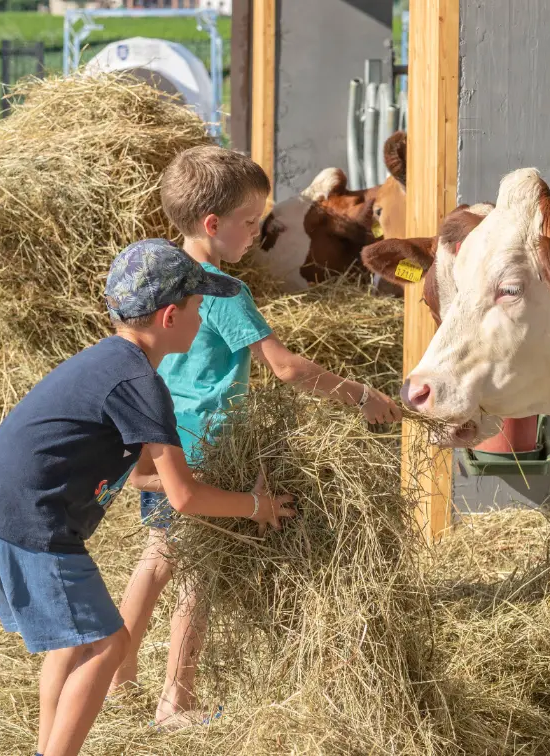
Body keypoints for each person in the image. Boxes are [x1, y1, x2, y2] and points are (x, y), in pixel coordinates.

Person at [0, 239, 296, 756]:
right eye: (198, 306)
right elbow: (183, 499)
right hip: (34, 519)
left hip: (3, 509)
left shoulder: (113, 363)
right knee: (108, 644)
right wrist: (258, 508)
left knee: (74, 644)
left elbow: (146, 476)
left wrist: (208, 480)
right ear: (169, 317)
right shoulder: (142, 382)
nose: (202, 314)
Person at [110, 145, 403, 729]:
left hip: (163, 442)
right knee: (199, 578)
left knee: (156, 560)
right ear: (213, 225)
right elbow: (286, 368)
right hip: (212, 450)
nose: (258, 235)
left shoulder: (158, 275)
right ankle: (176, 701)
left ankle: (117, 678)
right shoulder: (222, 291)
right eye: (251, 224)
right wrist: (364, 396)